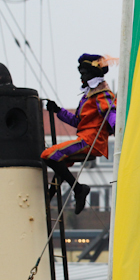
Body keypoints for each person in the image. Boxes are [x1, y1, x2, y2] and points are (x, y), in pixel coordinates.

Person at [43, 54, 117, 214]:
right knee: (61, 162)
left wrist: (117, 125)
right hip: (85, 139)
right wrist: (58, 110)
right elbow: (78, 122)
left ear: (93, 74)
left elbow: (110, 111)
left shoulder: (102, 94)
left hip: (90, 142)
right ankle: (48, 200)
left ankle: (78, 189)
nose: (81, 77)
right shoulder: (88, 96)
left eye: (84, 74)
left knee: (48, 155)